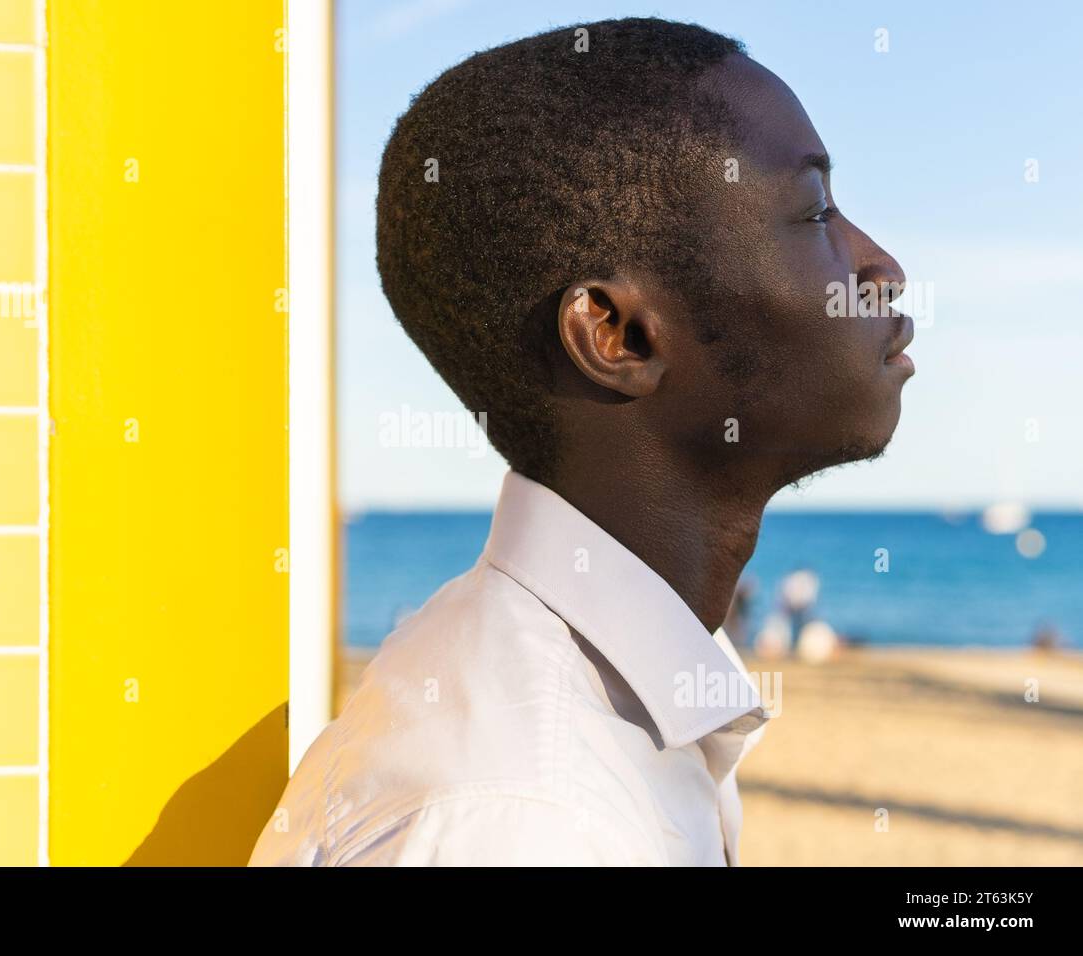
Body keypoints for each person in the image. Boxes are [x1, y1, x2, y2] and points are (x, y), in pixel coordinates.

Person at [250, 16, 914, 867]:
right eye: (815, 211)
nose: (882, 267)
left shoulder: (601, 701)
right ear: (619, 336)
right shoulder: (529, 822)